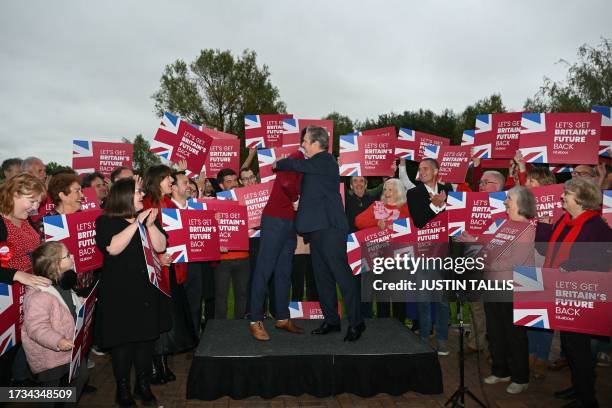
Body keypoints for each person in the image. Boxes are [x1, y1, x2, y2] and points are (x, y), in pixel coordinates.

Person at [275, 126, 364, 341]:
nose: (302, 144)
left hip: (330, 229)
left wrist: (280, 162)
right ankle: (332, 320)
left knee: (342, 276)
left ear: (317, 143)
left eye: (305, 141)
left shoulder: (324, 160)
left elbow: (296, 164)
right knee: (323, 279)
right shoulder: (315, 166)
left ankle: (357, 323)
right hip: (317, 230)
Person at [536, 178, 611, 408]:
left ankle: (587, 399)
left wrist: (575, 263)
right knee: (570, 347)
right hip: (561, 290)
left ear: (581, 199)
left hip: (581, 296)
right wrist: (544, 225)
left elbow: (605, 257)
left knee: (579, 351)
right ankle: (578, 387)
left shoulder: (596, 226)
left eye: (566, 194)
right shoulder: (564, 221)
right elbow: (543, 249)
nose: (561, 198)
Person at [95, 177, 166, 407]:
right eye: (137, 192)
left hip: (145, 291)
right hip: (118, 294)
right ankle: (122, 389)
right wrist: (137, 224)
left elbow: (161, 246)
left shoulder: (146, 220)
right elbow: (112, 248)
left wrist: (151, 225)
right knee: (122, 344)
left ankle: (143, 385)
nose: (141, 196)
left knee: (146, 341)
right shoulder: (105, 221)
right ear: (123, 195)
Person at [143, 166, 197, 384]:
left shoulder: (166, 203)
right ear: (158, 180)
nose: (171, 183)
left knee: (169, 320)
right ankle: (155, 367)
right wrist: (158, 258)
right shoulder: (147, 203)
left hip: (171, 269)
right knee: (158, 320)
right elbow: (144, 239)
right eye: (168, 179)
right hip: (155, 272)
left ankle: (162, 364)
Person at [480, 186, 536, 394]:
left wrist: (487, 264)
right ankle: (500, 370)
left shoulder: (528, 228)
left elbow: (515, 261)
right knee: (495, 331)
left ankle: (520, 377)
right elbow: (490, 249)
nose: (505, 202)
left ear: (521, 202)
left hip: (514, 289)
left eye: (509, 199)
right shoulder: (504, 224)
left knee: (515, 334)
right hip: (493, 286)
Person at [22, 242, 93, 403]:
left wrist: (87, 303)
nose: (73, 256)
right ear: (54, 266)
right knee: (50, 393)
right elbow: (36, 328)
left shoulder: (64, 284)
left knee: (81, 376)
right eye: (67, 256)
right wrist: (58, 341)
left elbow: (71, 305)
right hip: (50, 355)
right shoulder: (39, 297)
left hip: (71, 348)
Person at [248, 149, 304, 340]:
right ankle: (255, 319)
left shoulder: (301, 160)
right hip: (276, 219)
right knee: (264, 269)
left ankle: (282, 317)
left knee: (283, 272)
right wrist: (296, 198)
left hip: (288, 222)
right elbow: (288, 183)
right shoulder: (297, 157)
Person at [0, 173, 48, 386]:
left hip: (20, 298)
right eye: (31, 200)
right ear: (13, 194)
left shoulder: (25, 220)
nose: (35, 207)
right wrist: (16, 275)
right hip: (4, 300)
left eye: (38, 202)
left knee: (13, 349)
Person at [406, 158, 452, 355]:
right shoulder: (414, 193)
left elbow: (457, 218)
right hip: (422, 255)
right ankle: (424, 337)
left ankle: (442, 339)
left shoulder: (448, 190)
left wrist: (444, 205)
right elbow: (418, 221)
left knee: (442, 301)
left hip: (444, 254)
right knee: (424, 299)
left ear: (436, 171)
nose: (421, 171)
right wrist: (435, 206)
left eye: (425, 168)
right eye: (419, 169)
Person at [355, 178, 409, 321]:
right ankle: (384, 328)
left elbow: (412, 227)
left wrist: (395, 226)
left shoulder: (404, 207)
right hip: (379, 257)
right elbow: (358, 221)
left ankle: (401, 329)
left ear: (398, 192)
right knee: (382, 296)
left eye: (390, 189)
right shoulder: (376, 206)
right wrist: (376, 222)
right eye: (385, 189)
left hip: (399, 258)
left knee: (398, 296)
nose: (386, 192)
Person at [214, 168, 250, 319]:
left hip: (243, 256)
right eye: (229, 182)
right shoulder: (212, 204)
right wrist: (213, 221)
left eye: (235, 180)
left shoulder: (248, 201)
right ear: (221, 186)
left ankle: (240, 328)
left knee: (242, 295)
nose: (234, 184)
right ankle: (219, 331)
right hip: (222, 258)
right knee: (221, 297)